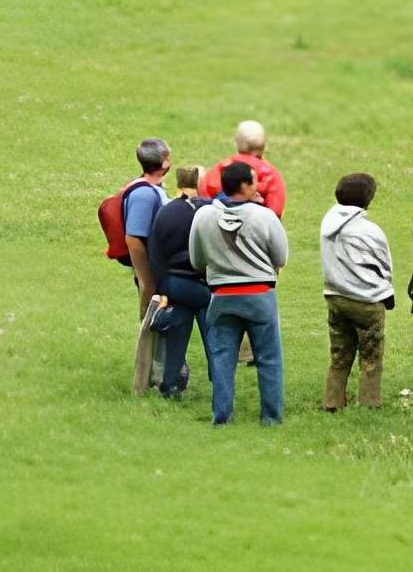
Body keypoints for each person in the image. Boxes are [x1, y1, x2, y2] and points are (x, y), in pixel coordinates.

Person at [193, 160, 290, 425]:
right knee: (268, 357)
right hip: (259, 293)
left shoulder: (203, 216)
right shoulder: (264, 216)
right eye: (254, 180)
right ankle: (270, 417)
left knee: (222, 357)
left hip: (221, 295)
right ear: (245, 186)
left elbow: (196, 259)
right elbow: (281, 256)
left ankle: (221, 415)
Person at [319, 172, 395, 412]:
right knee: (371, 356)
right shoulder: (369, 230)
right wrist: (387, 293)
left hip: (335, 296)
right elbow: (383, 266)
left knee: (339, 354)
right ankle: (369, 403)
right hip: (366, 301)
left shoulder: (327, 223)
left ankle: (332, 401)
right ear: (368, 199)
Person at [147, 166, 210, 398]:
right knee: (213, 333)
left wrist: (163, 288)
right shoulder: (209, 209)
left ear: (178, 183)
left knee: (179, 331)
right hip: (204, 285)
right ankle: (221, 382)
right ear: (198, 183)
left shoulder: (167, 212)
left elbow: (155, 254)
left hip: (175, 284)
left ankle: (170, 386)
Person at [118, 138, 173, 394]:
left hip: (158, 270)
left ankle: (162, 375)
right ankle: (153, 379)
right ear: (163, 163)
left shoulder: (152, 188)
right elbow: (133, 239)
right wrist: (146, 281)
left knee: (164, 322)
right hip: (151, 272)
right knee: (155, 323)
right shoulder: (143, 194)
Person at [225, 120, 289, 217]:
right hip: (259, 227)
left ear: (236, 143)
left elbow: (205, 197)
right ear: (265, 147)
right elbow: (276, 214)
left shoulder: (224, 168)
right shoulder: (272, 176)